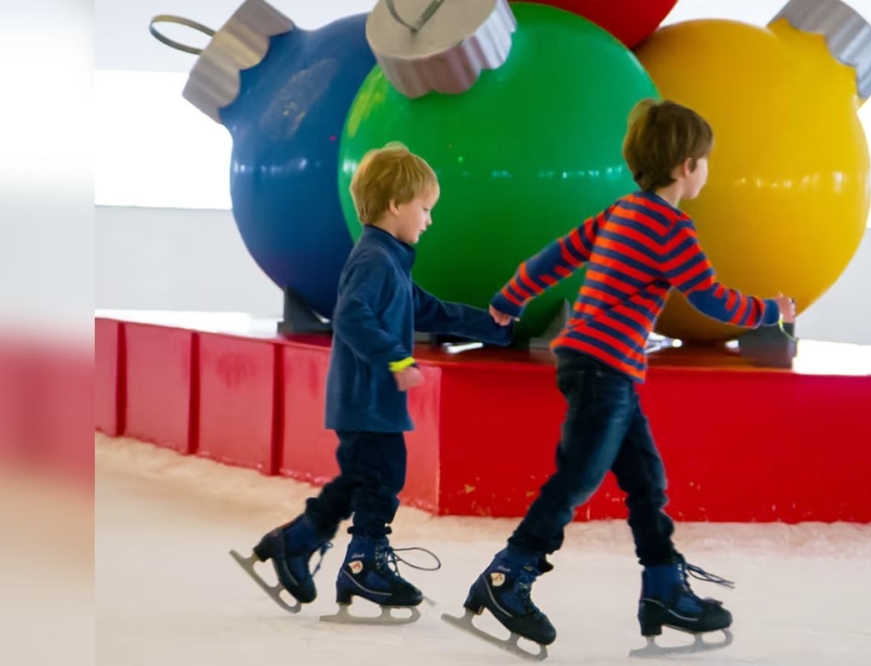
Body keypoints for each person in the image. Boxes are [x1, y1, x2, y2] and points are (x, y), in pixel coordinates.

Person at [457, 99, 796, 648]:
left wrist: (509, 298)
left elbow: (556, 256)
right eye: (705, 159)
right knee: (578, 478)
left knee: (646, 482)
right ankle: (507, 576)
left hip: (596, 365)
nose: (707, 168)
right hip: (604, 368)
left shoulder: (620, 212)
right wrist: (769, 313)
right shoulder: (671, 229)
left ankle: (662, 588)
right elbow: (709, 298)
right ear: (686, 166)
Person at [234, 143, 514, 621]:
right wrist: (396, 359)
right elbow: (352, 316)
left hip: (369, 399)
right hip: (366, 397)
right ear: (395, 205)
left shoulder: (391, 260)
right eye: (424, 209)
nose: (428, 220)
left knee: (362, 481)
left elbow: (430, 310)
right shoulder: (375, 261)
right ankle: (363, 563)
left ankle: (294, 544)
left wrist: (493, 324)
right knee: (382, 479)